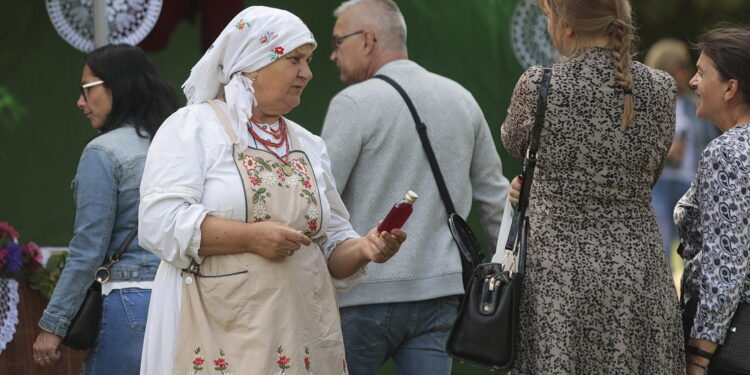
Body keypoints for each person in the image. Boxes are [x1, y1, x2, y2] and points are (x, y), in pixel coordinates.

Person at [137, 6, 406, 375]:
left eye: (308, 60)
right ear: (252, 63)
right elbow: (158, 223)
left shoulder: (308, 144)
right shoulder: (194, 127)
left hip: (303, 334)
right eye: (294, 59)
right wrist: (251, 237)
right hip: (220, 330)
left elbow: (329, 243)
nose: (308, 73)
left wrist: (364, 248)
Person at [321, 1, 509, 374]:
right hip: (439, 297)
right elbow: (495, 199)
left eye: (338, 41)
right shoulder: (461, 98)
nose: (332, 54)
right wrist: (505, 275)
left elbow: (317, 200)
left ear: (368, 40)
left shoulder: (353, 104)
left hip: (360, 296)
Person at [501, 0, 684, 373]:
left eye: (550, 17)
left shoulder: (539, 85)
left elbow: (512, 141)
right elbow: (651, 172)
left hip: (557, 282)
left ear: (567, 27)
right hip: (639, 277)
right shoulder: (662, 89)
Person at [32, 44, 178, 374]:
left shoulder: (104, 153)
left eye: (87, 89)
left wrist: (53, 326)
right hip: (185, 302)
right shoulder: (177, 144)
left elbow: (88, 250)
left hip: (130, 303)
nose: (80, 102)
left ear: (118, 85)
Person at [675, 27, 750, 375]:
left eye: (702, 73)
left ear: (730, 88)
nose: (692, 82)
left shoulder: (728, 153)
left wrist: (699, 355)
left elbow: (726, 265)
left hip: (732, 340)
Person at [645, 39, 719, 263]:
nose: (687, 73)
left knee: (697, 247)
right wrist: (666, 152)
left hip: (689, 183)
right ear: (667, 68)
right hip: (659, 184)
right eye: (682, 66)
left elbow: (710, 143)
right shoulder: (647, 106)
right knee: (660, 246)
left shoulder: (693, 103)